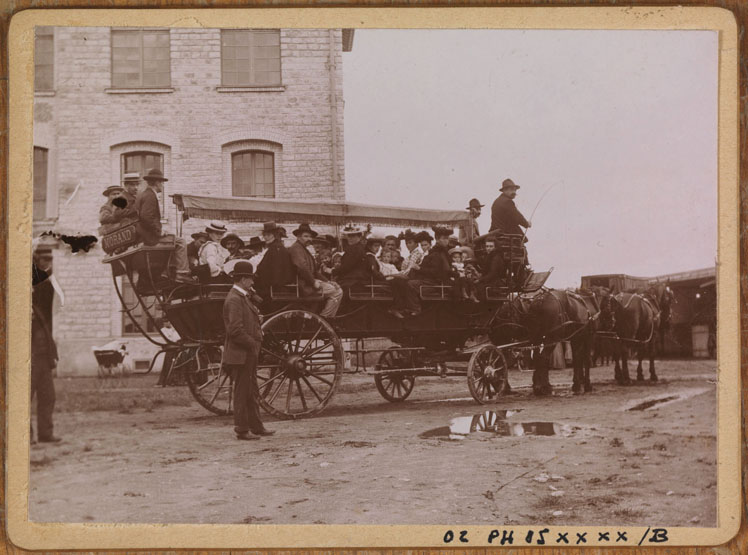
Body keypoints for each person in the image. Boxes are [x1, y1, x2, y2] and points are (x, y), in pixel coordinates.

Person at [222, 261, 273, 441]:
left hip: (246, 352)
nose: (252, 283)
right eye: (250, 279)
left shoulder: (242, 297)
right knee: (242, 391)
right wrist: (252, 343)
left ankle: (256, 427)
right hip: (242, 353)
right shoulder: (235, 299)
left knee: (251, 390)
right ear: (243, 279)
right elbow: (235, 330)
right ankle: (242, 429)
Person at [133, 169, 194, 284]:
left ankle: (167, 272)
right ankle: (182, 273)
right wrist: (159, 231)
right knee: (180, 242)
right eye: (161, 183)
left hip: (144, 235)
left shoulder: (143, 194)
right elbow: (146, 217)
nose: (162, 186)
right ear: (156, 183)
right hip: (149, 237)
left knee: (172, 240)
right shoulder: (150, 196)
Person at [31, 254, 60, 443]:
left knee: (48, 397)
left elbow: (47, 335)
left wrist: (52, 356)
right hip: (28, 361)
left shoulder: (38, 310)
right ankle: (26, 436)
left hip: (42, 359)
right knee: (24, 400)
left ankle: (45, 434)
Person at [287, 223, 343, 318]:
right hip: (304, 285)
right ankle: (325, 318)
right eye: (306, 236)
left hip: (307, 282)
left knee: (335, 288)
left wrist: (328, 281)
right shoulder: (296, 249)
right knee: (337, 292)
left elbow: (315, 271)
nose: (309, 239)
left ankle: (322, 317)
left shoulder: (303, 249)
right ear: (298, 237)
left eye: (310, 237)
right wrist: (313, 282)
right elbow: (302, 268)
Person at [403, 227, 453, 316]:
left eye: (447, 238)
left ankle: (415, 308)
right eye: (444, 238)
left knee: (410, 284)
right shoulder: (434, 252)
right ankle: (407, 306)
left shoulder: (437, 253)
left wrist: (419, 269)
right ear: (437, 239)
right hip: (430, 280)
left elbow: (436, 272)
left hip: (434, 282)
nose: (447, 241)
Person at [255, 222, 295, 300]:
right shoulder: (276, 247)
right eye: (264, 235)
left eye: (268, 235)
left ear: (275, 235)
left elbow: (272, 270)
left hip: (273, 288)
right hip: (276, 285)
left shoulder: (275, 248)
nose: (266, 237)